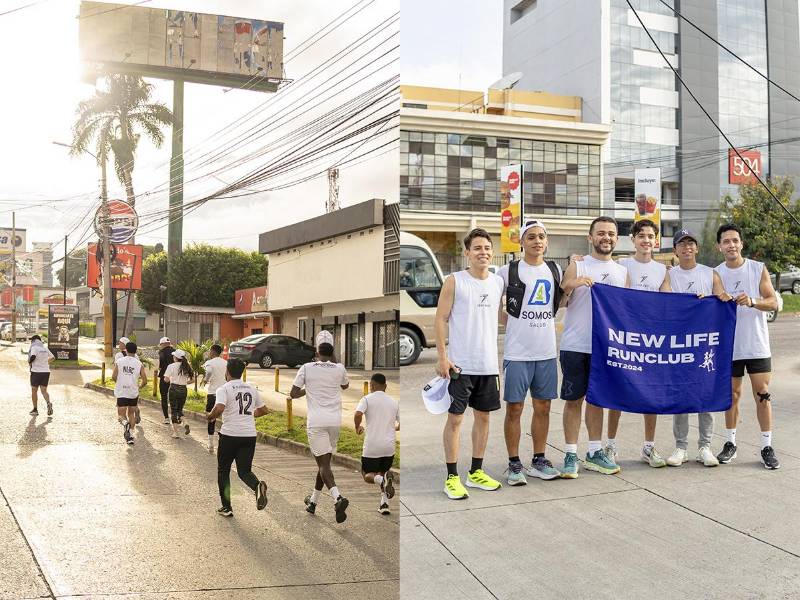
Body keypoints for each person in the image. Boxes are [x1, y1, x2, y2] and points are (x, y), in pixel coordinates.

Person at [435, 227, 505, 500]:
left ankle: (475, 472)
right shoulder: (455, 281)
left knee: (484, 418)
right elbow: (440, 319)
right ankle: (452, 477)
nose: (483, 253)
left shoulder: (497, 281)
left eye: (487, 248)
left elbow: (501, 317)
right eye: (477, 248)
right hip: (460, 366)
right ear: (467, 253)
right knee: (455, 420)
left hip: (488, 365)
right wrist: (442, 357)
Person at [559, 216, 629, 478]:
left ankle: (595, 451)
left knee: (597, 400)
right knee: (573, 400)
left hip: (607, 347)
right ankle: (569, 453)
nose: (606, 238)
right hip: (576, 345)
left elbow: (627, 311)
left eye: (611, 233)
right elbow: (561, 298)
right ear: (590, 238)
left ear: (616, 239)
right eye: (601, 233)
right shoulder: (578, 266)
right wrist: (572, 284)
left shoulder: (622, 272)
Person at [497, 220, 562, 485]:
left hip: (546, 351)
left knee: (543, 407)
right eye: (532, 237)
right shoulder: (507, 270)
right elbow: (492, 304)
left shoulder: (555, 269)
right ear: (521, 241)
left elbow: (565, 298)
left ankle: (538, 459)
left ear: (547, 242)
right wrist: (511, 321)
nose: (537, 241)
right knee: (514, 408)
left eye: (542, 237)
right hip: (517, 351)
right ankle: (514, 464)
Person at [714, 223, 780, 469]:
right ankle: (730, 443)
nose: (731, 245)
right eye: (726, 241)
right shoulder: (716, 273)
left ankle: (766, 446)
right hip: (729, 347)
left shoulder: (757, 268)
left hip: (756, 344)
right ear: (719, 246)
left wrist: (752, 301)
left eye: (735, 240)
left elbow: (773, 302)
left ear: (741, 243)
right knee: (731, 396)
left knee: (762, 395)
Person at [665, 228, 731, 467]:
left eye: (691, 243)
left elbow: (722, 300)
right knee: (681, 396)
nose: (687, 248)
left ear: (697, 248)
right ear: (675, 250)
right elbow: (665, 304)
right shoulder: (670, 276)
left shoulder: (709, 273)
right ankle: (680, 447)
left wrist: (715, 300)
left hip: (704, 345)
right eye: (682, 244)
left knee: (705, 396)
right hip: (680, 345)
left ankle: (705, 446)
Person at [608, 219, 671, 468]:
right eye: (641, 235)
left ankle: (648, 447)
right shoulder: (621, 265)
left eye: (650, 236)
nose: (646, 240)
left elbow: (668, 304)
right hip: (625, 340)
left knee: (651, 395)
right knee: (616, 394)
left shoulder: (662, 270)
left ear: (656, 240)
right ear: (633, 239)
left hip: (651, 341)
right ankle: (610, 446)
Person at [290, 342, 350, 523]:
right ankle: (313, 502)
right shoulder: (339, 368)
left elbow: (293, 393)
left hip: (316, 422)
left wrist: (308, 390)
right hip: (334, 422)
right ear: (332, 353)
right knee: (324, 464)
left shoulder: (307, 368)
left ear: (316, 352)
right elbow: (345, 386)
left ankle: (337, 498)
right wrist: (334, 362)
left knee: (323, 465)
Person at [206, 358, 269, 517]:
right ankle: (257, 486)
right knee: (244, 471)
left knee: (223, 471)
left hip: (230, 436)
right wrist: (247, 416)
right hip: (249, 435)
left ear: (227, 372)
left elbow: (219, 407)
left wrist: (210, 416)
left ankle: (227, 507)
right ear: (242, 372)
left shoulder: (224, 388)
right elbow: (263, 410)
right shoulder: (251, 388)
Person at [354, 373, 399, 514]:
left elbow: (357, 414)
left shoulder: (366, 399)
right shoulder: (394, 402)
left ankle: (382, 481)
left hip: (372, 446)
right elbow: (400, 423)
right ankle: (384, 505)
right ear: (385, 386)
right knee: (383, 473)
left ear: (371, 385)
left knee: (368, 475)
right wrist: (395, 427)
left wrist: (357, 427)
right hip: (389, 447)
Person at [112, 341, 147, 445]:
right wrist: (138, 387)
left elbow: (114, 377)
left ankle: (125, 423)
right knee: (131, 413)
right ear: (135, 351)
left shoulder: (119, 361)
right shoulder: (139, 363)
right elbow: (144, 381)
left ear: (126, 350)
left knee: (121, 416)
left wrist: (119, 382)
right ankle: (131, 436)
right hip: (133, 392)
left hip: (122, 391)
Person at [202, 344, 227, 454]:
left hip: (213, 394)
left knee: (210, 418)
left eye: (209, 351)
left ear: (212, 351)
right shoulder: (226, 363)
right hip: (225, 394)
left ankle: (211, 444)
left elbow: (209, 372)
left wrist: (206, 380)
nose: (209, 353)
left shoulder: (209, 362)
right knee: (225, 418)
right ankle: (222, 442)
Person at [164, 348, 194, 439]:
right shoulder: (186, 366)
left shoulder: (171, 366)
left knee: (173, 410)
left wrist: (170, 380)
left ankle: (176, 433)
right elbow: (192, 379)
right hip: (183, 389)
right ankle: (185, 422)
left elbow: (166, 379)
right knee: (179, 410)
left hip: (173, 389)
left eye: (174, 356)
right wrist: (184, 383)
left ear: (176, 357)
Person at [114, 337, 140, 425]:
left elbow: (115, 373)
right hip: (133, 386)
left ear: (125, 345)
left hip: (122, 387)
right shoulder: (135, 356)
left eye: (120, 343)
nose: (119, 344)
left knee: (121, 412)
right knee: (132, 407)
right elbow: (138, 370)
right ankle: (136, 415)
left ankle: (125, 424)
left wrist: (118, 382)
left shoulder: (118, 356)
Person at [28, 335, 54, 416]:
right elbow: (53, 357)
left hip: (36, 372)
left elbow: (32, 357)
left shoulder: (34, 348)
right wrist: (46, 363)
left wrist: (30, 362)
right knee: (44, 390)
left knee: (34, 390)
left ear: (34, 341)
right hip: (46, 372)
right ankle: (48, 403)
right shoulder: (45, 348)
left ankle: (35, 409)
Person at [157, 337, 175, 425]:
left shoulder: (161, 352)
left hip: (164, 377)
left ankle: (166, 418)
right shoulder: (175, 352)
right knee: (174, 398)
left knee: (164, 397)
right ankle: (176, 417)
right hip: (174, 378)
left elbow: (160, 366)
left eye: (160, 345)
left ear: (163, 344)